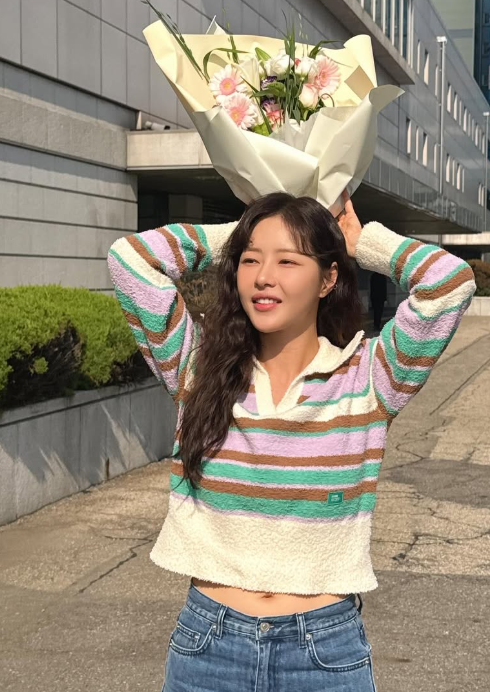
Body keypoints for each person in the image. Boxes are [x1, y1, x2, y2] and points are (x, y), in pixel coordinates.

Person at [107, 190, 475, 692]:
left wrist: (360, 241)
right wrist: (238, 233)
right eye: (250, 260)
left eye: (287, 260)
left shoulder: (367, 377)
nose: (263, 277)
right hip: (208, 646)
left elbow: (448, 283)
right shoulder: (198, 368)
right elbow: (130, 260)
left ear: (328, 278)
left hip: (323, 652)